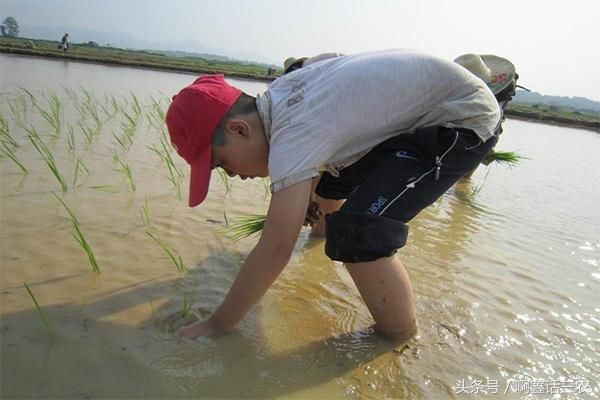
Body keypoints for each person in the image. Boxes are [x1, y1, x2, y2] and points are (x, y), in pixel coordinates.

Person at [165, 49, 501, 340]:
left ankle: (399, 337)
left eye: (222, 164)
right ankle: (321, 238)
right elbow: (328, 59)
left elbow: (276, 249)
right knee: (326, 183)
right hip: (420, 116)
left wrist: (218, 324)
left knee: (358, 232)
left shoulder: (293, 135)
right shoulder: (281, 93)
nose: (234, 175)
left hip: (462, 119)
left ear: (239, 129)